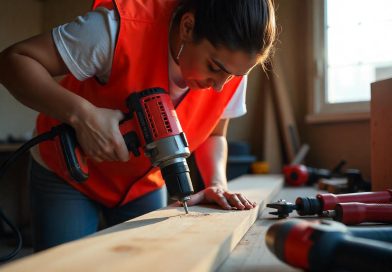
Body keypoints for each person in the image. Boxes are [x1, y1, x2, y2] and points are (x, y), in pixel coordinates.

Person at [0, 0, 276, 251]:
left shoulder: (231, 68)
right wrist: (82, 115)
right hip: (69, 172)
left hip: (143, 183)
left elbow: (216, 133)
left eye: (235, 75)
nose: (219, 87)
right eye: (214, 67)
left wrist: (217, 183)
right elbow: (13, 61)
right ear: (188, 27)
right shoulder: (117, 29)